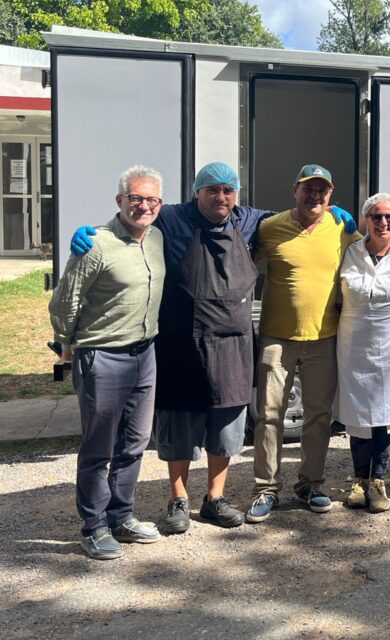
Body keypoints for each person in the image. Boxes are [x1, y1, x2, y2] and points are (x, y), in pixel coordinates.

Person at [71, 161, 356, 533]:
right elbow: (136, 216)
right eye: (212, 190)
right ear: (197, 192)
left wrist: (341, 214)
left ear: (236, 195)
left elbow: (313, 221)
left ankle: (215, 498)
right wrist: (96, 230)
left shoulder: (251, 220)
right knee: (180, 425)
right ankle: (178, 499)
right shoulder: (173, 218)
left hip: (234, 343)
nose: (221, 197)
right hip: (181, 341)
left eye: (228, 190)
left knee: (226, 425)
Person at [50, 166, 166, 559]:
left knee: (134, 443)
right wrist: (67, 346)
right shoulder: (96, 244)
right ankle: (94, 526)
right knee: (99, 448)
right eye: (136, 198)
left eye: (151, 199)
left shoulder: (158, 239)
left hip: (145, 353)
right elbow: (65, 301)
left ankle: (122, 516)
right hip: (103, 356)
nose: (144, 206)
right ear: (120, 201)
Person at [246, 165, 362, 523]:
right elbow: (241, 262)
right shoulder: (269, 227)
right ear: (294, 190)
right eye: (308, 189)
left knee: (318, 416)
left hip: (324, 337)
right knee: (268, 416)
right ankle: (266, 488)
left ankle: (310, 483)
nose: (315, 196)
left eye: (322, 191)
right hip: (276, 338)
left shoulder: (341, 227)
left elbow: (376, 249)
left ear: (330, 196)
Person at [336, 193, 390, 513]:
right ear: (366, 221)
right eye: (376, 217)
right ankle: (360, 480)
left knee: (389, 413)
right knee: (358, 412)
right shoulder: (350, 253)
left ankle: (378, 481)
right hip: (355, 343)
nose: (383, 222)